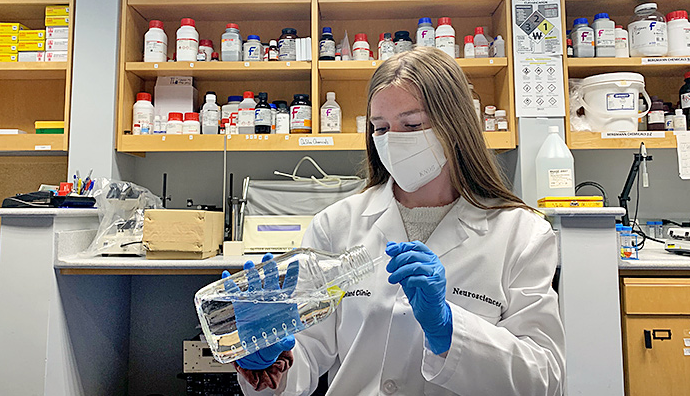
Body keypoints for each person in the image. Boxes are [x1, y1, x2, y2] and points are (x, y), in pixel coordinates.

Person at [233, 47, 565, 395]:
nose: (392, 139)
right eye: (380, 127)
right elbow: (306, 355)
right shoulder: (335, 226)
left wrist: (449, 329)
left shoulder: (521, 234)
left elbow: (543, 379)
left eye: (412, 124)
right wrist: (268, 359)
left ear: (455, 126)